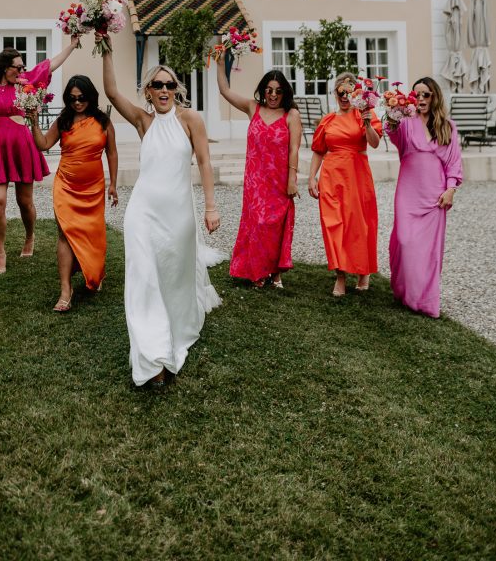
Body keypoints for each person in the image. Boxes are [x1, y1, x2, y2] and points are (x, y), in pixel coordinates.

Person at [99, 34, 221, 389]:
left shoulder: (191, 120)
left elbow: (205, 162)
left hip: (179, 217)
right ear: (148, 91)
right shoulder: (143, 121)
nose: (163, 89)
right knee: (142, 279)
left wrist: (211, 207)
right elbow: (111, 92)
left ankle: (174, 335)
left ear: (176, 88)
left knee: (173, 281)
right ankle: (154, 359)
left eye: (169, 84)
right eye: (156, 85)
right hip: (143, 212)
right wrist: (105, 44)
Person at [0, 37, 79, 274]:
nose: (23, 70)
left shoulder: (25, 85)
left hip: (23, 146)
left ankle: (30, 236)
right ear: (6, 67)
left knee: (24, 202)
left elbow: (49, 65)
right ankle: (1, 253)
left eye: (24, 67)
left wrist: (72, 45)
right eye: (19, 67)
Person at [29, 75, 118, 313]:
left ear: (90, 97)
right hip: (66, 185)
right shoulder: (64, 120)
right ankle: (65, 291)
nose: (77, 103)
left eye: (82, 98)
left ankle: (92, 271)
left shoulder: (103, 121)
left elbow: (112, 153)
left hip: (94, 187)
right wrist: (34, 122)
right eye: (72, 98)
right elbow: (43, 145)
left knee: (93, 234)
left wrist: (113, 184)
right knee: (65, 234)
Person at [216, 57, 301, 289]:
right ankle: (258, 271)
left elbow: (294, 148)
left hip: (279, 180)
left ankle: (275, 273)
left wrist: (292, 179)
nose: (273, 95)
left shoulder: (291, 115)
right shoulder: (253, 107)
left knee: (275, 226)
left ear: (285, 93)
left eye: (278, 91)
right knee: (258, 224)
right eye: (269, 90)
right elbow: (224, 90)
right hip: (255, 179)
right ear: (263, 91)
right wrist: (219, 61)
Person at [388, 76, 463, 318]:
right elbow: (393, 134)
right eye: (416, 94)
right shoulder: (406, 122)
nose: (420, 99)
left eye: (425, 95)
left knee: (429, 251)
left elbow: (454, 162)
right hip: (408, 192)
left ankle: (424, 301)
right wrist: (393, 114)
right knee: (405, 241)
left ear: (434, 97)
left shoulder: (448, 126)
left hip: (435, 195)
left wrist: (451, 189)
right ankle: (405, 291)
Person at [308, 72, 382, 296]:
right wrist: (312, 177)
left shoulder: (363, 115)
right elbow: (319, 151)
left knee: (358, 224)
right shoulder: (328, 120)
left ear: (356, 93)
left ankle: (363, 271)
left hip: (356, 176)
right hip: (331, 177)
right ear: (334, 93)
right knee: (333, 224)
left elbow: (375, 143)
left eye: (349, 91)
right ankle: (340, 275)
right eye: (340, 91)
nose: (344, 95)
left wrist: (368, 122)